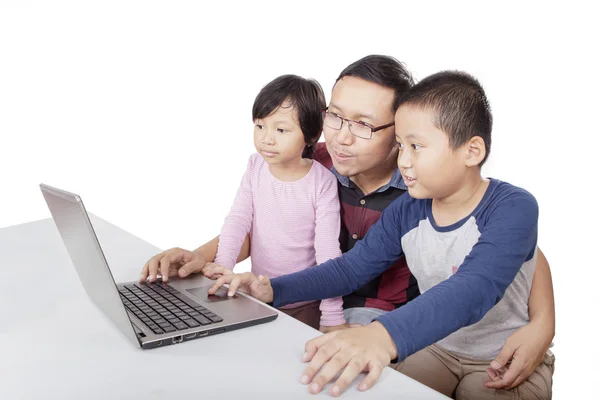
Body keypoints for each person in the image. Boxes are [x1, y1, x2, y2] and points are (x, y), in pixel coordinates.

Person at [139, 55, 555, 394]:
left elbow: (503, 263)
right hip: (353, 323)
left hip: (403, 327)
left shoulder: (428, 189)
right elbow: (276, 228)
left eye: (363, 125)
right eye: (334, 117)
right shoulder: (314, 163)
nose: (340, 137)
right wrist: (215, 263)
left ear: (396, 132)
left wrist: (543, 323)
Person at [197, 74, 345, 330]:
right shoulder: (256, 167)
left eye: (281, 129)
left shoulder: (322, 182)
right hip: (256, 294)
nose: (267, 138)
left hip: (304, 302)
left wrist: (332, 315)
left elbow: (328, 253)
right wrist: (222, 265)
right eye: (260, 126)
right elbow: (238, 219)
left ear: (310, 135)